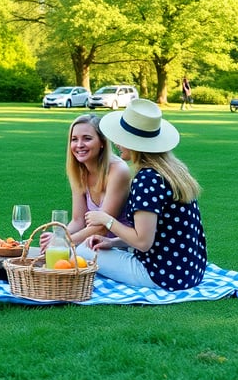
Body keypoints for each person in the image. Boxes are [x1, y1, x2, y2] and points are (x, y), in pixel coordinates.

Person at [79, 99, 207, 291]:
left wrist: (106, 220)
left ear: (133, 143)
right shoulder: (174, 171)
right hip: (191, 271)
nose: (116, 143)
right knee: (96, 249)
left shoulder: (147, 179)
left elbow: (143, 242)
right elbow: (155, 233)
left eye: (120, 138)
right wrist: (112, 242)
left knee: (82, 250)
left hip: (161, 275)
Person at [40, 113, 131, 250]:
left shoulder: (118, 170)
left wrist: (63, 241)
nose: (79, 145)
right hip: (92, 247)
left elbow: (101, 228)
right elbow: (78, 221)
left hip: (118, 248)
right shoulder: (79, 172)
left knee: (64, 256)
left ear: (102, 142)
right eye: (74, 139)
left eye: (87, 139)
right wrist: (59, 237)